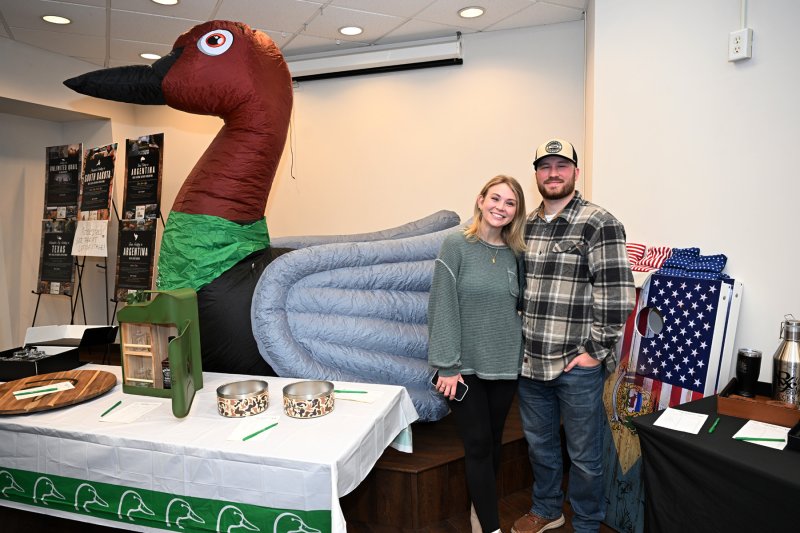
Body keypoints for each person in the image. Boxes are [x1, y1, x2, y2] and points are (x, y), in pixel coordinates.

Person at [513, 139, 635, 533]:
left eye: (561, 165)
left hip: (576, 364)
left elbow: (618, 295)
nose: (553, 173)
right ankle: (547, 509)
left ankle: (586, 522)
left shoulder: (599, 222)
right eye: (545, 166)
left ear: (576, 173)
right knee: (540, 446)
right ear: (536, 174)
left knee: (584, 456)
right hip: (531, 363)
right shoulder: (525, 226)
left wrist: (594, 352)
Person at [428, 175, 527, 533]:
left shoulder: (517, 254)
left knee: (493, 442)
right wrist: (446, 365)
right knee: (479, 444)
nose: (501, 207)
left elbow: (518, 308)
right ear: (481, 200)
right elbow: (441, 305)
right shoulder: (456, 245)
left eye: (510, 202)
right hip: (462, 367)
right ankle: (491, 527)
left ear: (516, 212)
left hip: (504, 364)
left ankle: (479, 510)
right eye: (495, 198)